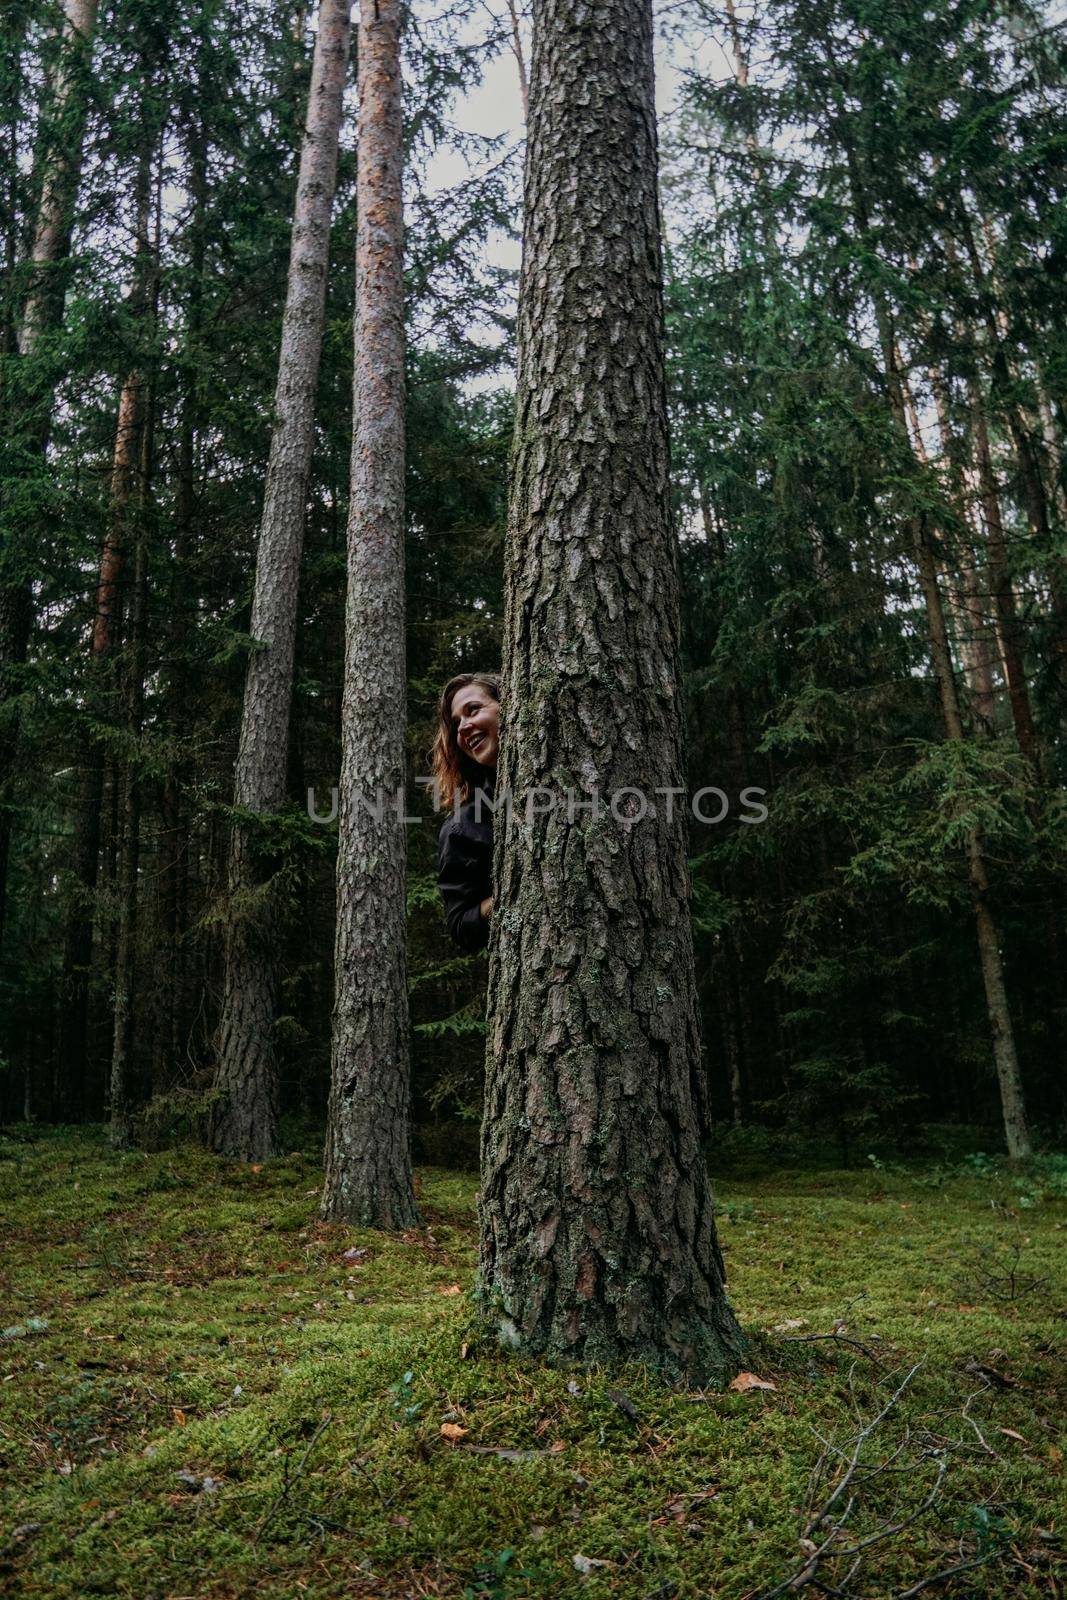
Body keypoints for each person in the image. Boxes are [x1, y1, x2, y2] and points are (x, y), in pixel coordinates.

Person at [432, 672, 500, 953]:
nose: (462, 728)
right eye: (456, 723)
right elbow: (460, 926)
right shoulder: (463, 827)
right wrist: (504, 900)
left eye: (473, 710)